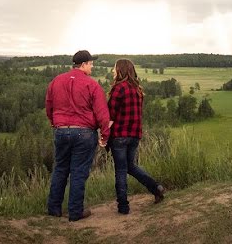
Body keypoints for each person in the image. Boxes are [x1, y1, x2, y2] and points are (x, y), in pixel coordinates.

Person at [45, 50, 110, 221]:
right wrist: (105, 134)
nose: (92, 66)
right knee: (79, 172)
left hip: (61, 130)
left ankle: (54, 209)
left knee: (60, 169)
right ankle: (75, 212)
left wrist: (54, 122)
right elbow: (102, 112)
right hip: (84, 133)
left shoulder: (57, 81)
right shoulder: (92, 85)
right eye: (91, 63)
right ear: (83, 64)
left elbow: (49, 105)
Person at [107, 58, 165, 214]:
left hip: (119, 135)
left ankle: (123, 207)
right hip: (134, 135)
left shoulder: (118, 89)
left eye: (114, 68)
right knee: (130, 166)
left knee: (121, 170)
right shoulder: (138, 89)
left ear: (120, 70)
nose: (113, 71)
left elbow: (110, 117)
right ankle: (156, 188)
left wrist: (103, 135)